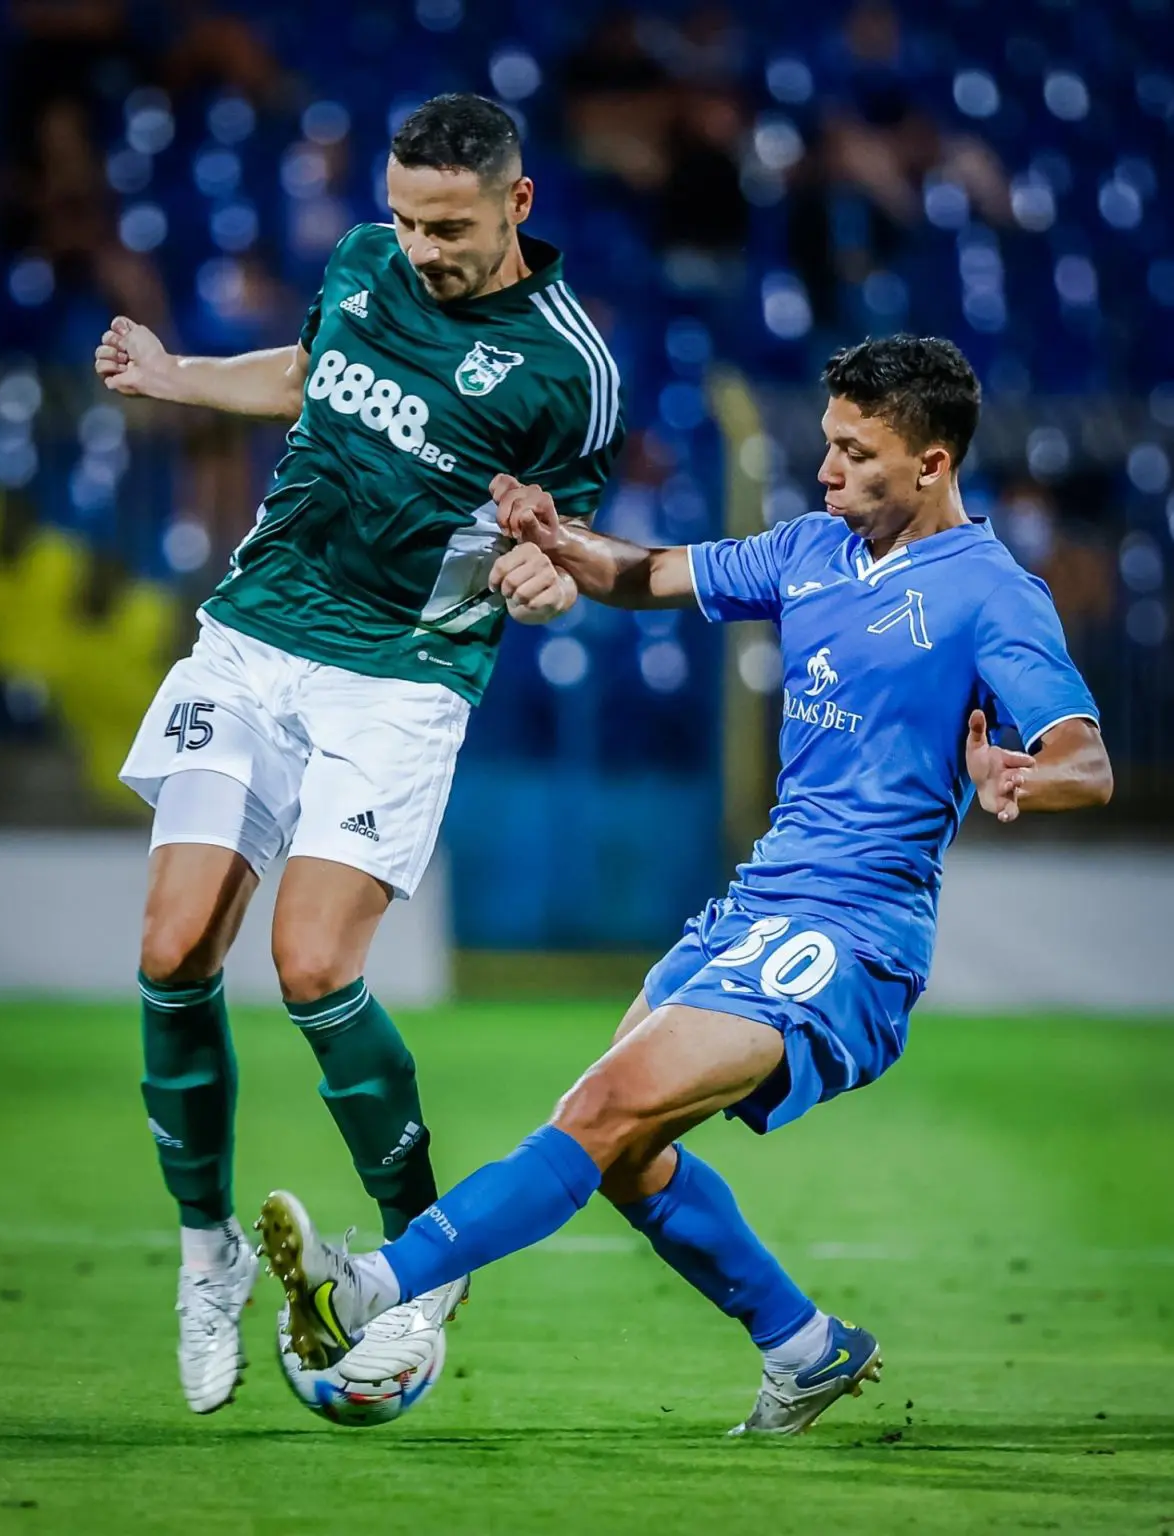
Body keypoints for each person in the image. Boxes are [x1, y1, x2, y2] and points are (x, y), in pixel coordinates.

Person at [255, 334, 1113, 1434]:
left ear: (932, 463)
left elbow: (1085, 760)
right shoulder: (809, 549)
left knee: (599, 1110)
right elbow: (648, 574)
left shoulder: (991, 593)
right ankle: (802, 1347)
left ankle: (374, 1286)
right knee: (627, 1154)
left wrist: (1020, 777)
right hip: (753, 909)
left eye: (855, 454)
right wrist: (554, 536)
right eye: (826, 445)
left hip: (851, 937)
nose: (825, 471)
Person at [93, 93, 623, 1414]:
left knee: (313, 965)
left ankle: (421, 1258)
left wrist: (546, 580)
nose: (418, 249)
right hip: (256, 636)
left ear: (517, 204)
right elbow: (306, 371)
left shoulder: (570, 371)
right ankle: (206, 1251)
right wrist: (177, 376)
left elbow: (565, 548)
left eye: (446, 228)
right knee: (172, 946)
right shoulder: (362, 263)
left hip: (399, 678)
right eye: (401, 220)